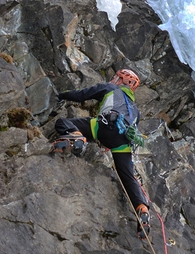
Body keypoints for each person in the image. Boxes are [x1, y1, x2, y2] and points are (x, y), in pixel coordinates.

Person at [54, 69, 150, 239]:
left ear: (122, 80)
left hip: (104, 127)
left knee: (63, 122)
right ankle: (141, 207)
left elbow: (81, 95)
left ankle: (76, 136)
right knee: (128, 177)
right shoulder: (136, 110)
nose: (113, 79)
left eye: (116, 77)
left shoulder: (109, 88)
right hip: (123, 142)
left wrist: (60, 95)